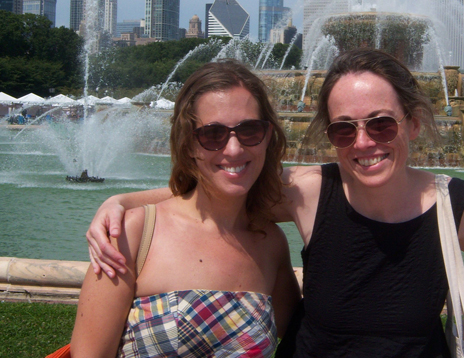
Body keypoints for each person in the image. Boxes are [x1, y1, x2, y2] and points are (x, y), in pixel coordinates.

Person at [88, 50, 464, 357]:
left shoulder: (454, 204)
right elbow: (223, 184)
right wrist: (122, 200)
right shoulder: (311, 192)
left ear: (412, 123)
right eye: (344, 129)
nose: (364, 142)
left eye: (382, 124)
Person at [70, 60, 300, 358]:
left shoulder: (270, 243)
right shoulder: (131, 234)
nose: (233, 149)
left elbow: (303, 335)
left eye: (250, 130)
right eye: (213, 134)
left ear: (268, 136)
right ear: (189, 143)